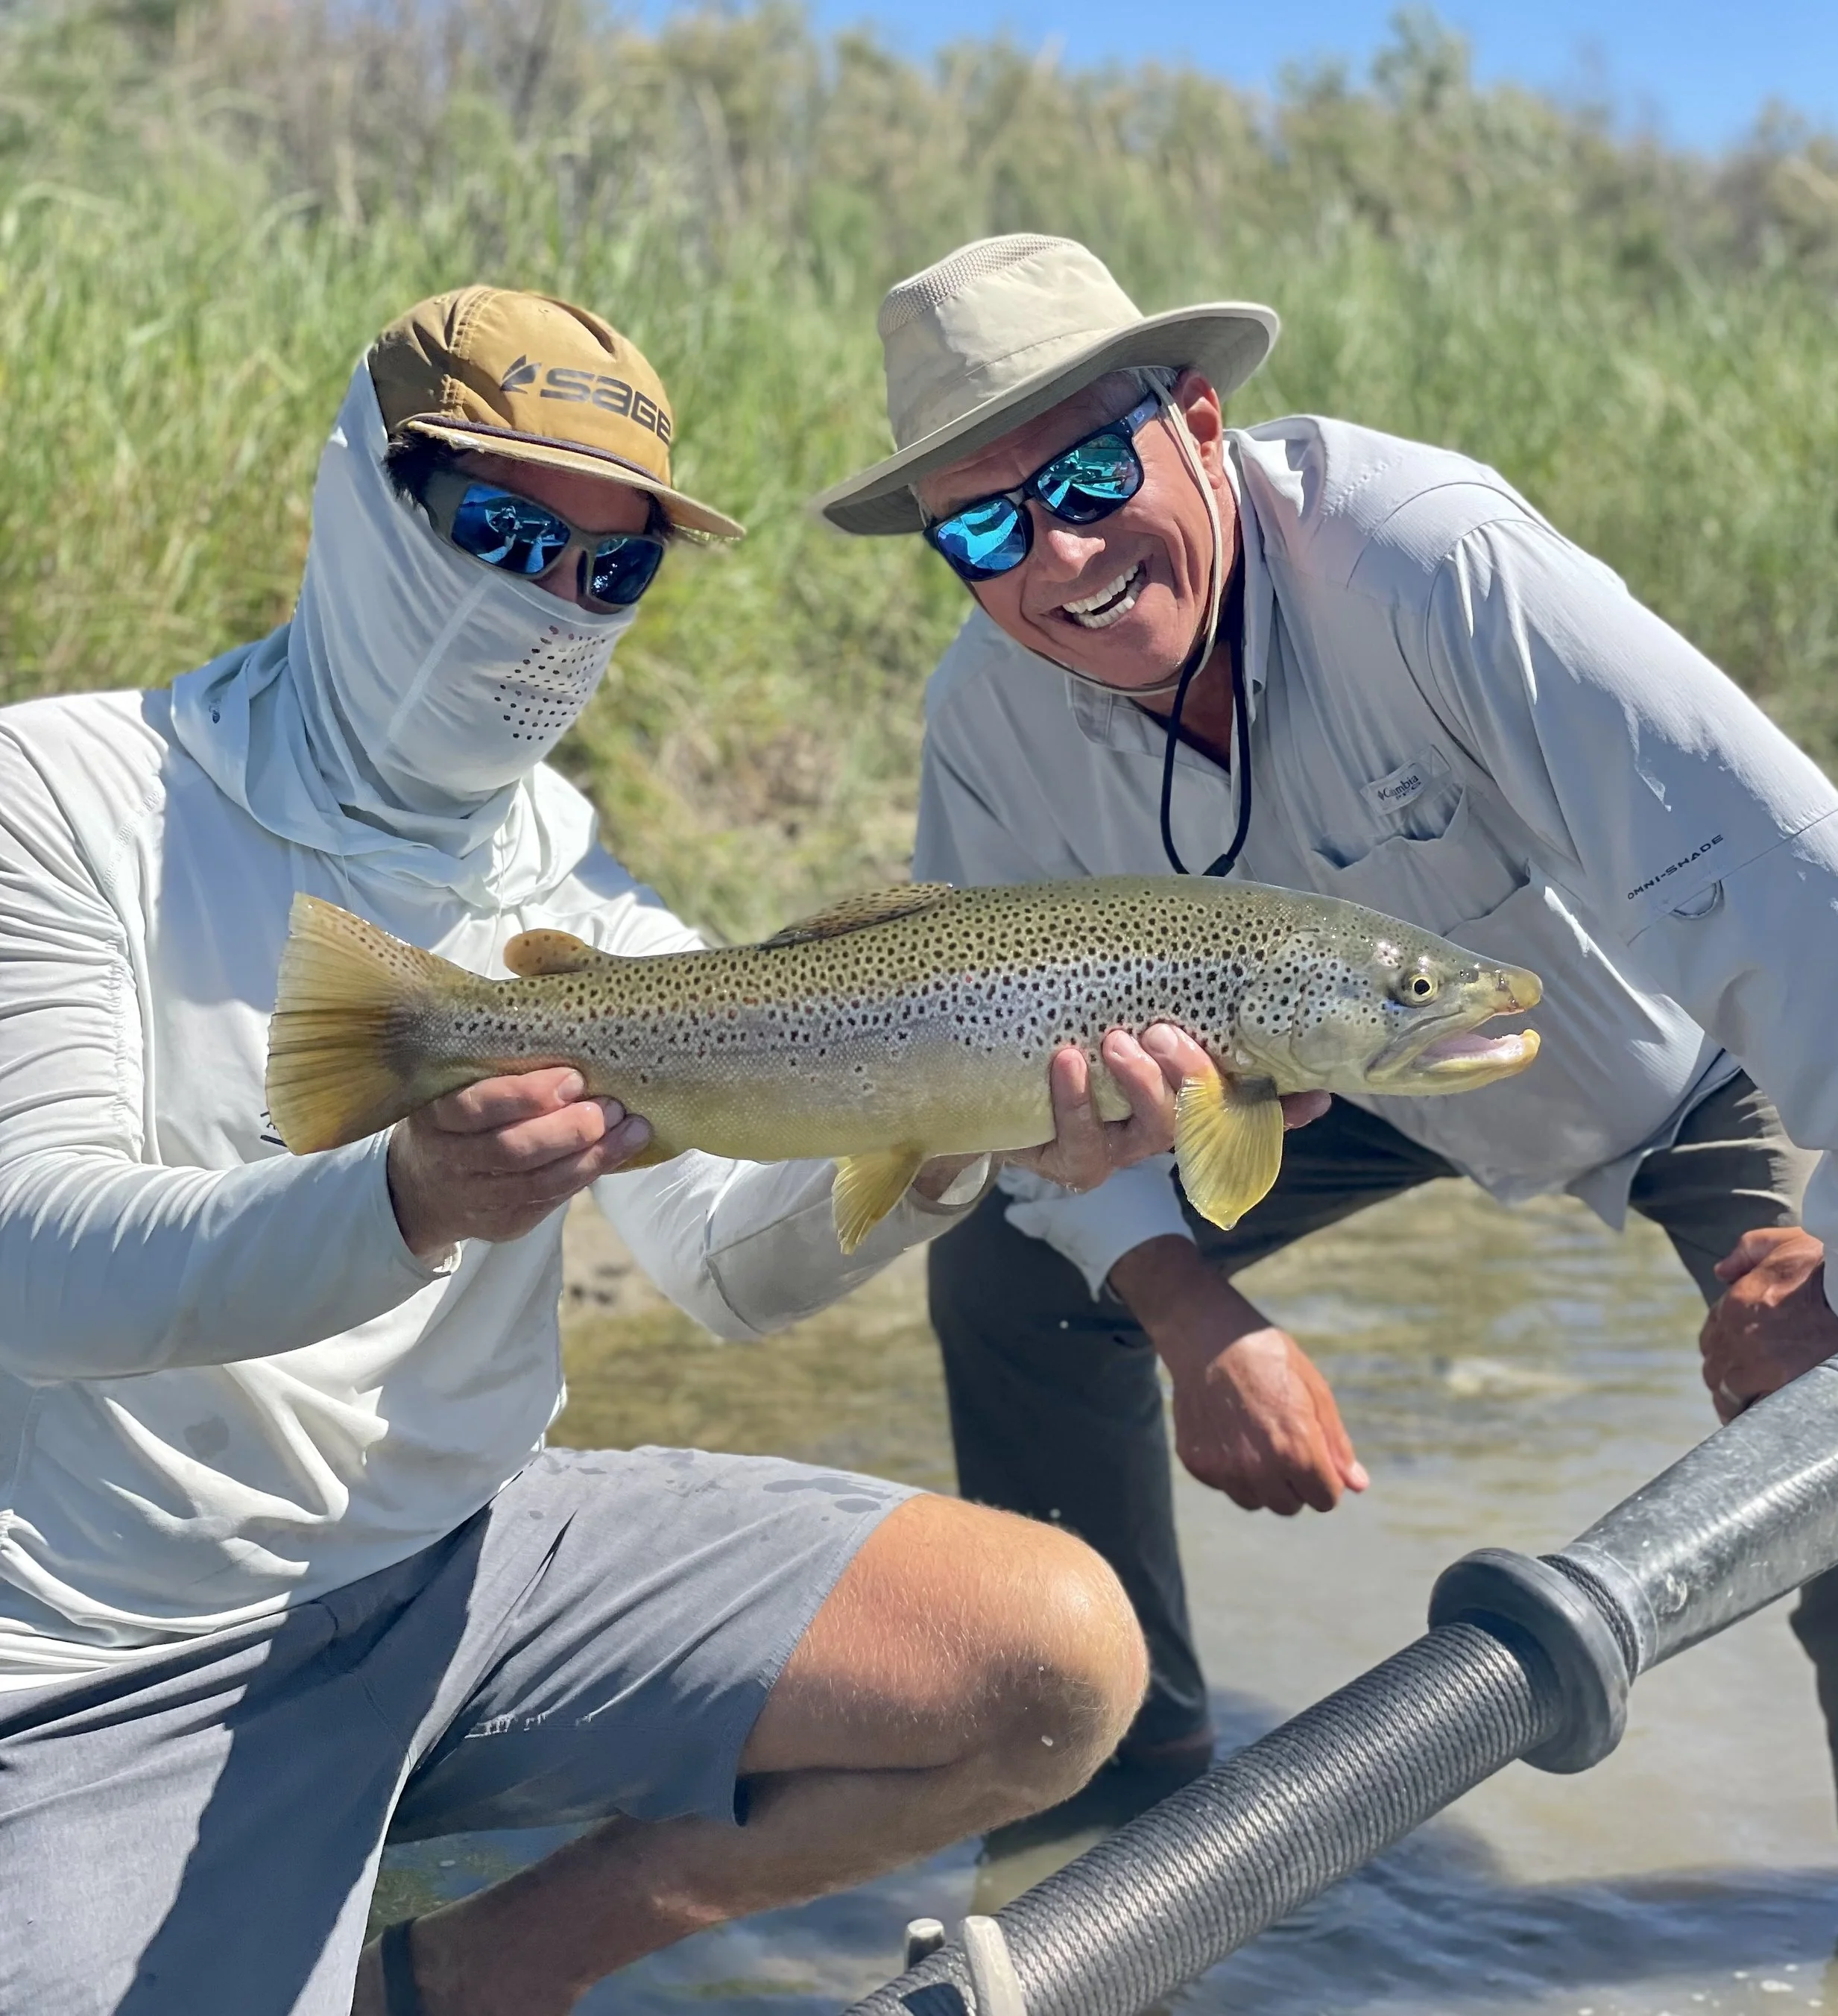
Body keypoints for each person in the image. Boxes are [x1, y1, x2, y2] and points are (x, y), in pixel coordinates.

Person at [0, 284, 1281, 2016]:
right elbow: (30, 1263)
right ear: (364, 489)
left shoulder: (573, 893)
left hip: (474, 1564)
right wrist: (399, 1196)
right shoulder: (63, 794)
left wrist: (951, 1147)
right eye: (508, 528)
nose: (551, 599)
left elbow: (733, 1272)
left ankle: (478, 1964)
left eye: (612, 568)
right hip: (113, 1651)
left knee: (1052, 1661)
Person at [810, 235, 1838, 1864]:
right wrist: (1188, 1306)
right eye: (980, 523)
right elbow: (991, 1062)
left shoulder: (1431, 567)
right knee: (1018, 1277)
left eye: (1090, 467)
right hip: (1312, 1073)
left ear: (1206, 423)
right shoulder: (988, 715)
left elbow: (1806, 907)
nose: (1061, 550)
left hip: (1646, 1069)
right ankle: (1113, 1791)